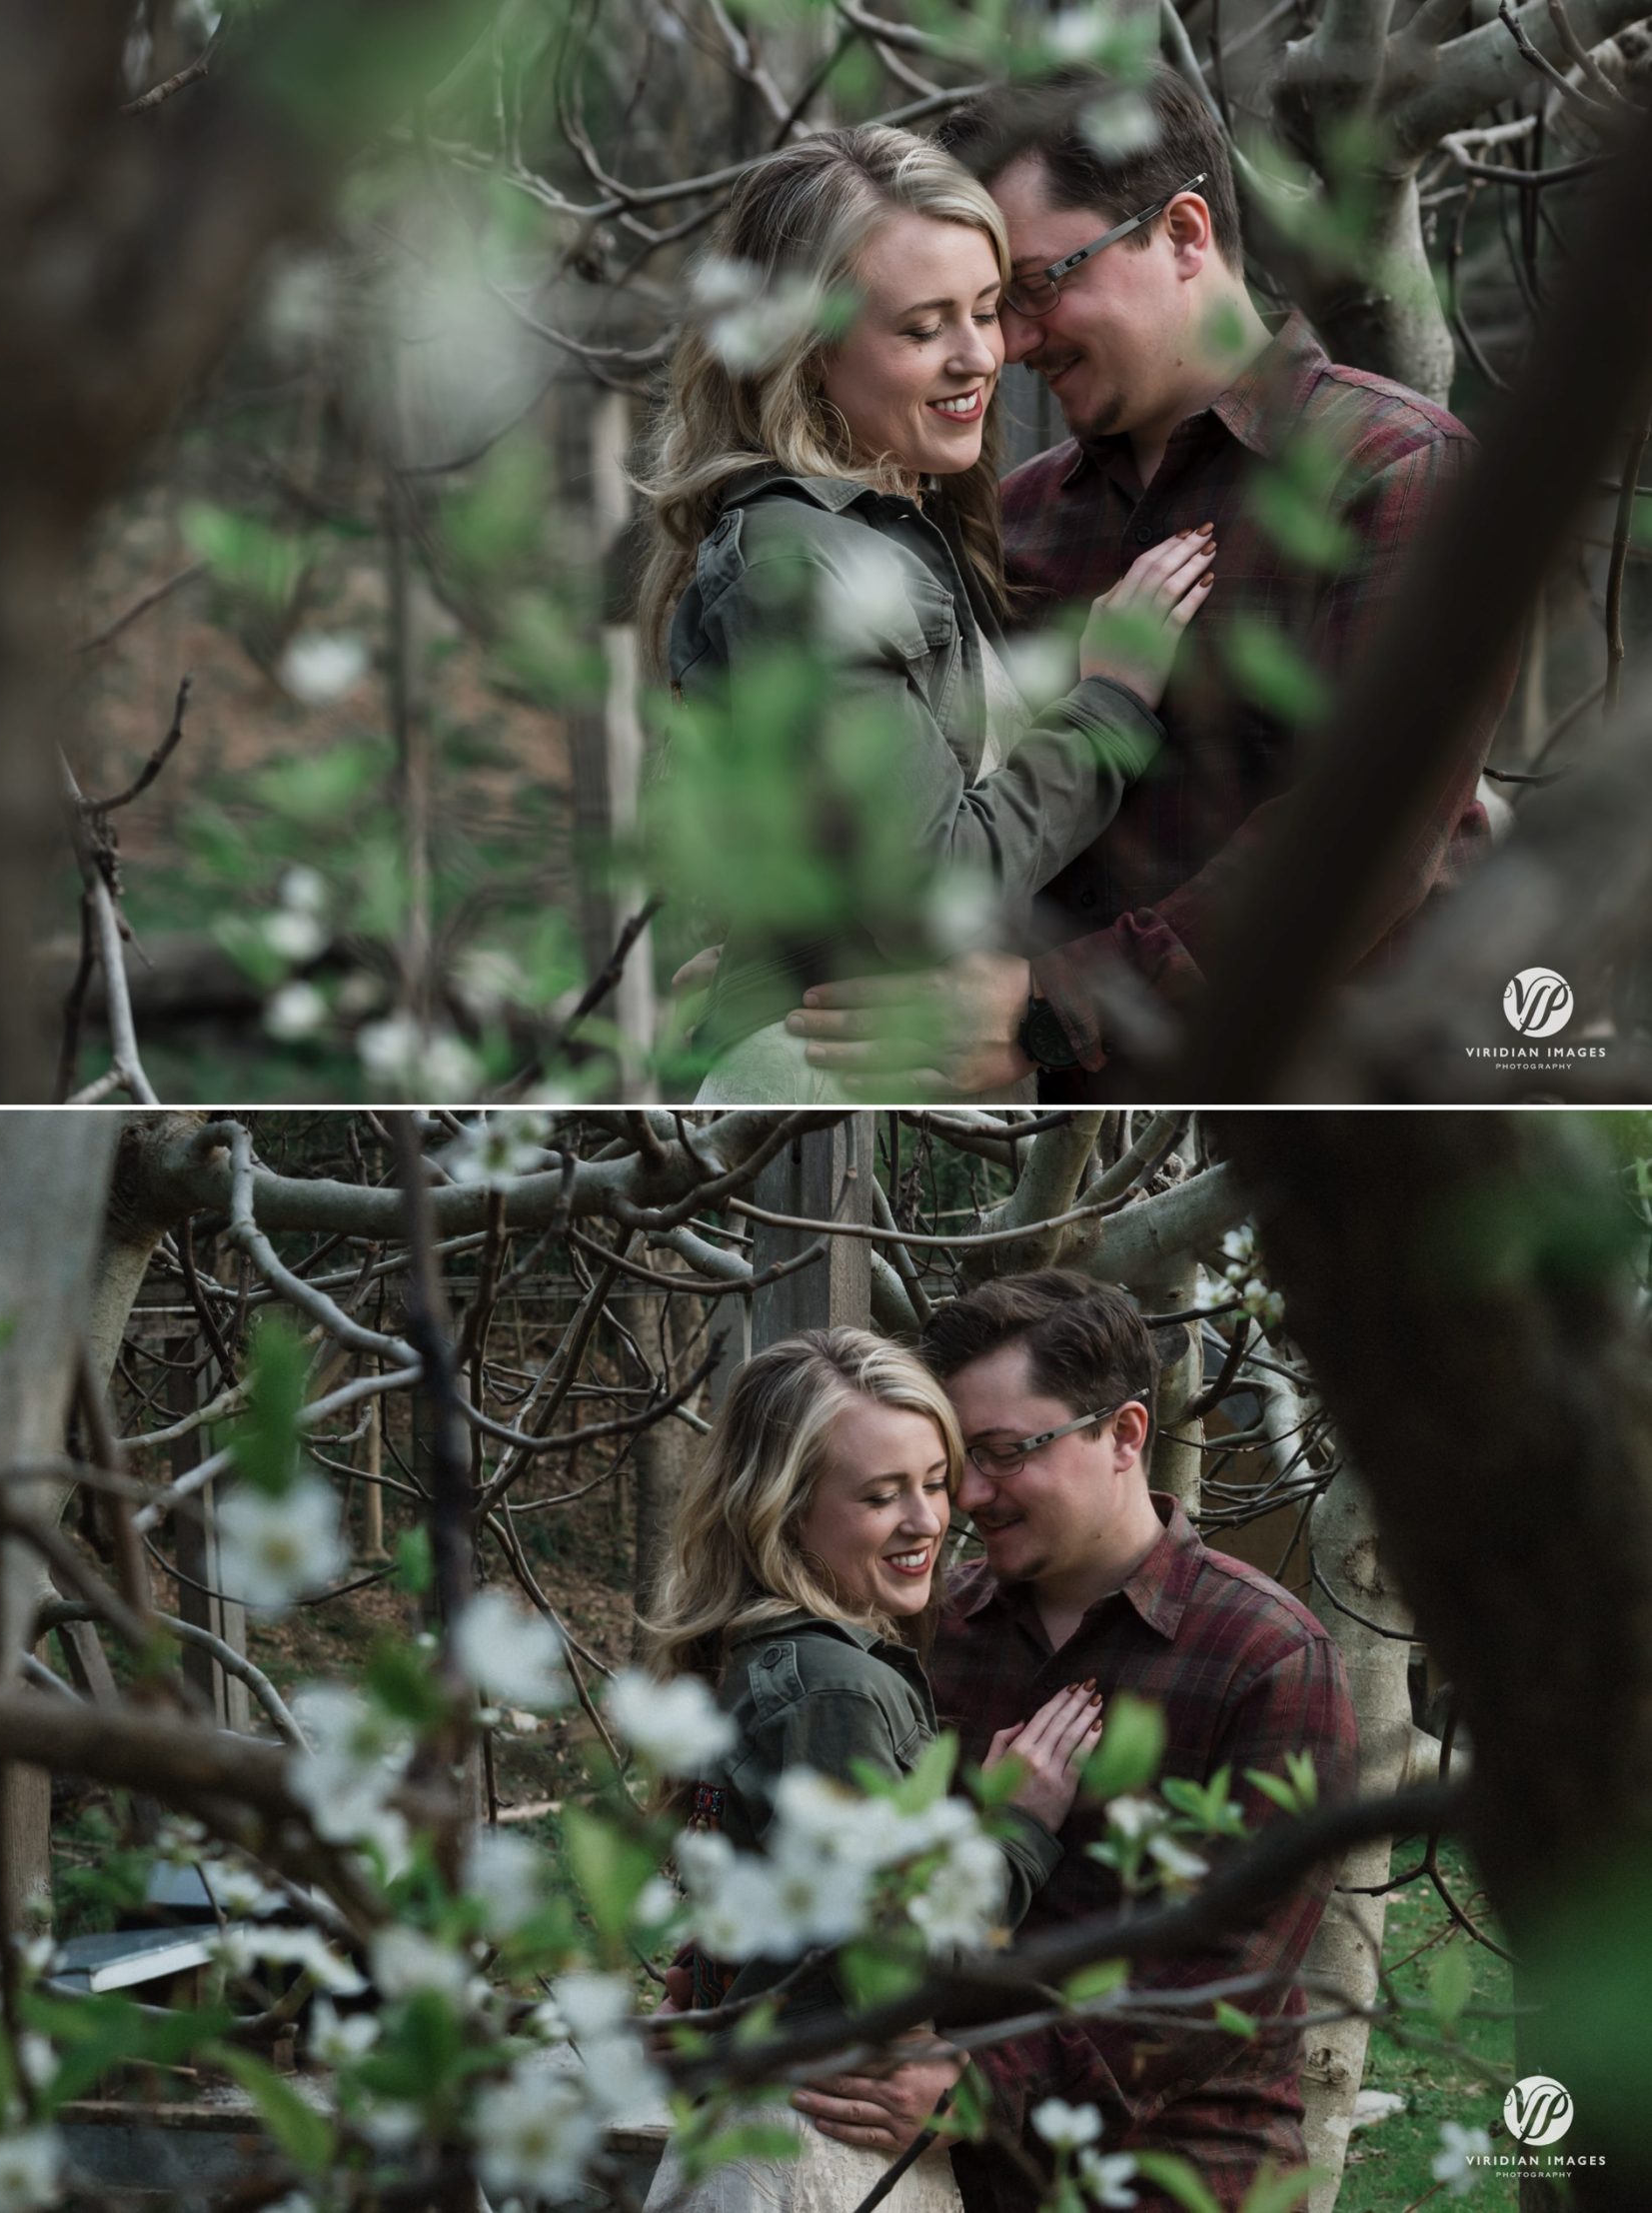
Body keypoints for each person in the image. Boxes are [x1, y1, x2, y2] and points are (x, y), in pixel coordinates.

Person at [785, 65, 1507, 1100]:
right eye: (990, 306)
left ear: (1180, 234)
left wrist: (1052, 1007)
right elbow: (962, 828)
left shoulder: (1397, 469)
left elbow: (1363, 836)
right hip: (1064, 1121)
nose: (1008, 345)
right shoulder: (1013, 522)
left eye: (1034, 288)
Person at [638, 123, 1216, 1104]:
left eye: (986, 311)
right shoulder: (801, 559)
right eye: (921, 329)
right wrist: (1110, 701)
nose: (980, 357)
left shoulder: (897, 525)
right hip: (816, 1091)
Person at [790, 1274, 1360, 2213]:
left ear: (1125, 1435)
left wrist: (975, 2087)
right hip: (930, 2178)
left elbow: (1221, 1979)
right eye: (957, 1460)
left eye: (1007, 1454)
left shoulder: (1264, 1657)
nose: (969, 1496)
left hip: (1172, 2178)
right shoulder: (927, 1634)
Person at [642, 1326, 1109, 2213]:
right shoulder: (837, 1688)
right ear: (780, 1511)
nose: (929, 1520)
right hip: (823, 2145)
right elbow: (887, 1956)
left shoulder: (753, 1658)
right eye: (881, 1496)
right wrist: (1018, 1827)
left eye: (936, 1482)